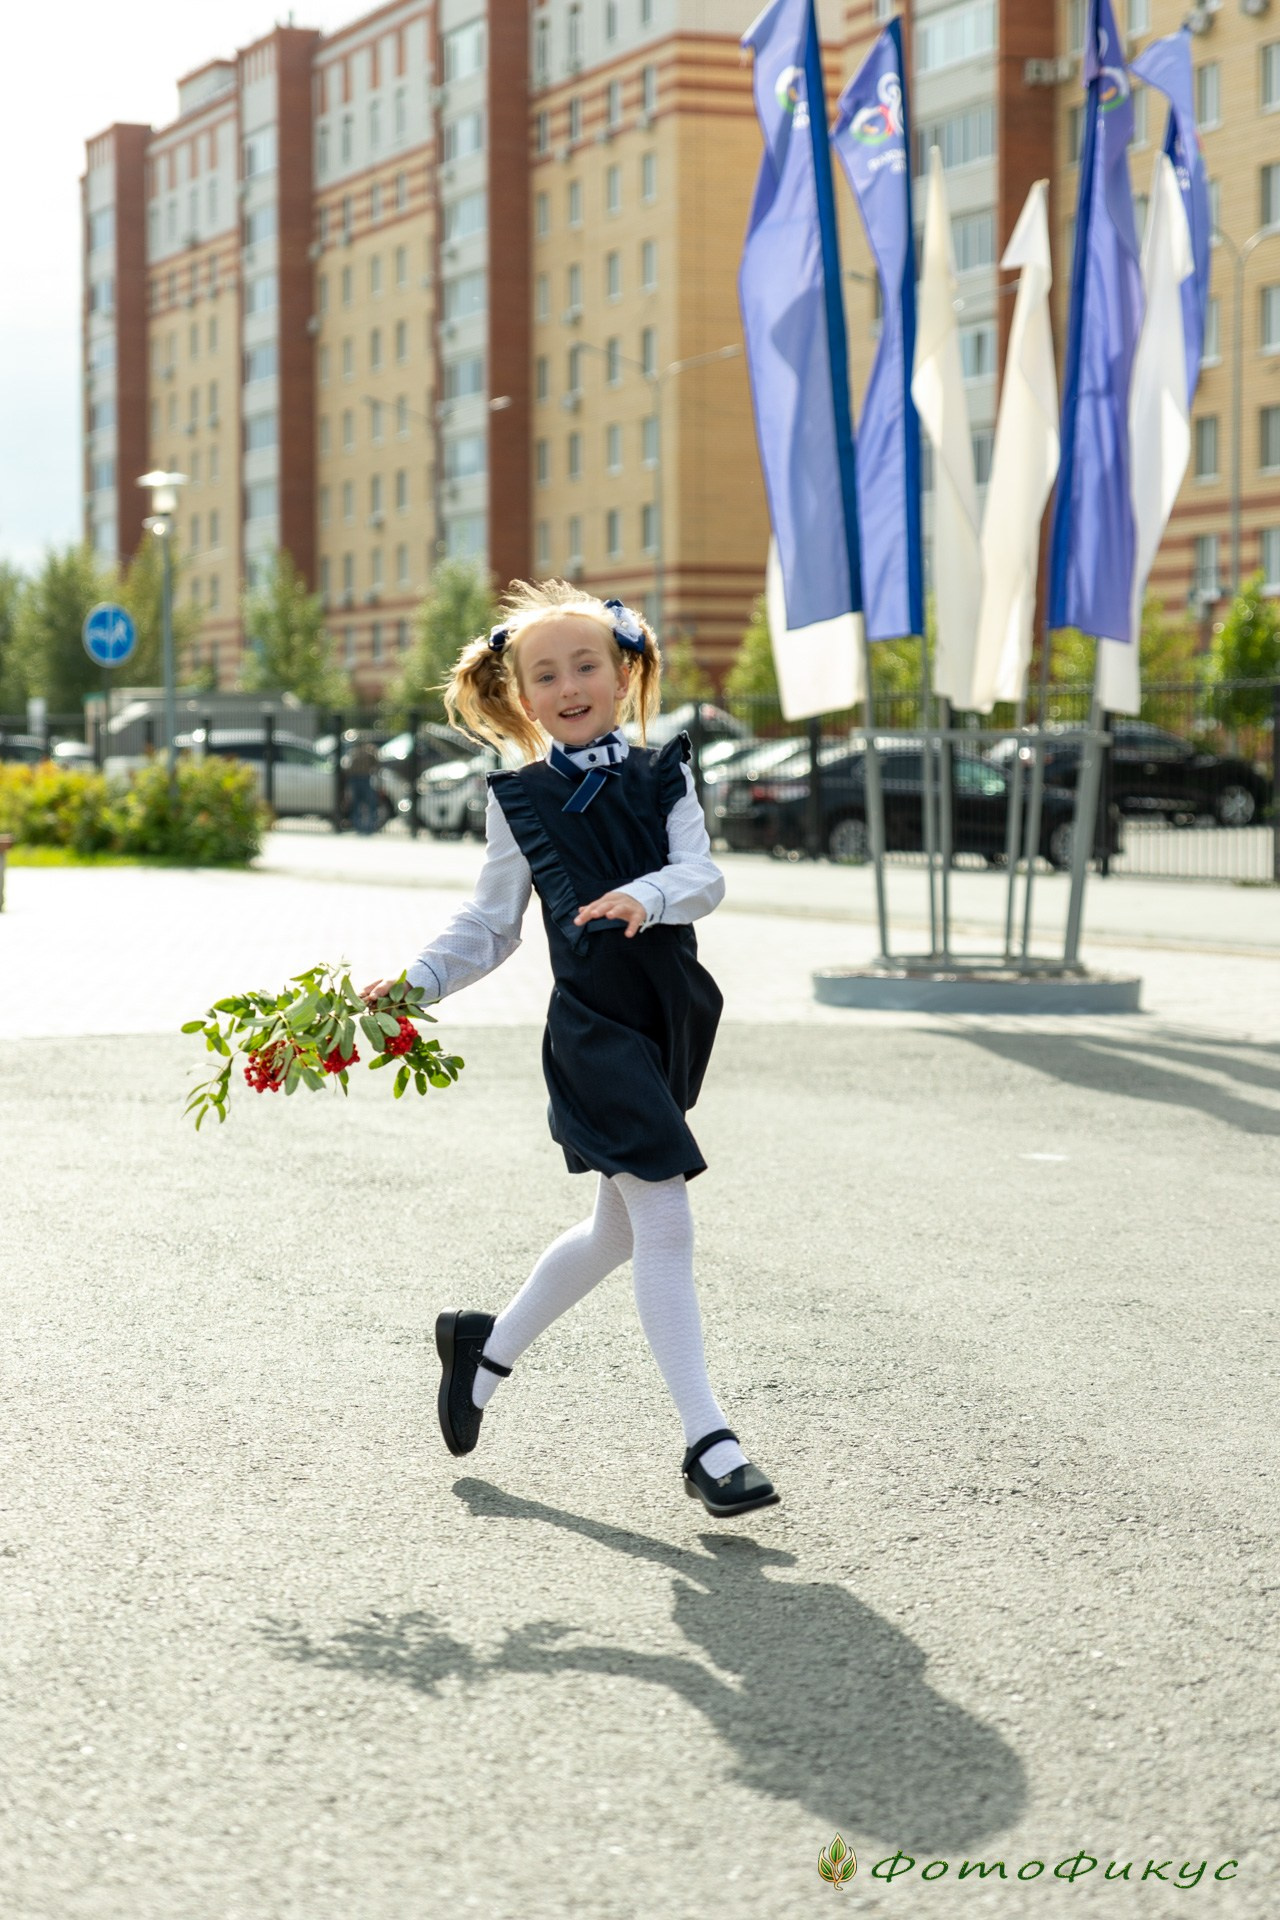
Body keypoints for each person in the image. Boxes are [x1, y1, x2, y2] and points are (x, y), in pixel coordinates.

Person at [360, 579, 779, 1518]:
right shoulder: (520, 799)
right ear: (521, 693)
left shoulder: (665, 772)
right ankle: (710, 1444)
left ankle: (483, 1351)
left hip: (668, 1019)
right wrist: (413, 986)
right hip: (594, 1034)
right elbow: (490, 925)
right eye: (545, 674)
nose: (568, 684)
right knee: (665, 1222)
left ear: (627, 671)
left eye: (586, 664)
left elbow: (701, 875)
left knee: (617, 1230)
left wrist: (650, 896)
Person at [347, 734, 381, 835]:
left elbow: (376, 765)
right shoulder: (355, 753)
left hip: (364, 779)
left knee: (368, 803)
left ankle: (367, 826)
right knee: (358, 803)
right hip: (358, 779)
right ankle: (360, 825)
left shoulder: (362, 753)